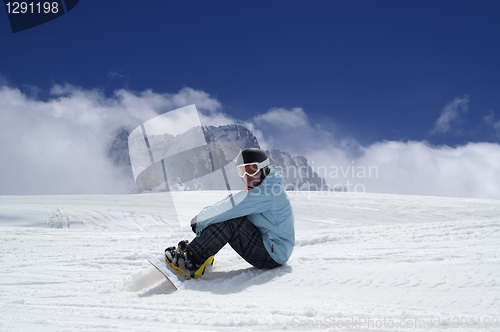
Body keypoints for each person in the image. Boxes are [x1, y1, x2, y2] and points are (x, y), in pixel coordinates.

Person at [164, 148, 295, 279]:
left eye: (251, 170)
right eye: (242, 171)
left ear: (263, 169)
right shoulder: (264, 186)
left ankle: (190, 263)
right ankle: (200, 250)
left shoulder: (267, 192)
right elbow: (231, 201)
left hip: (274, 255)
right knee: (227, 215)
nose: (246, 176)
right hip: (271, 246)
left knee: (232, 220)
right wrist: (203, 220)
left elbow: (230, 208)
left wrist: (201, 220)